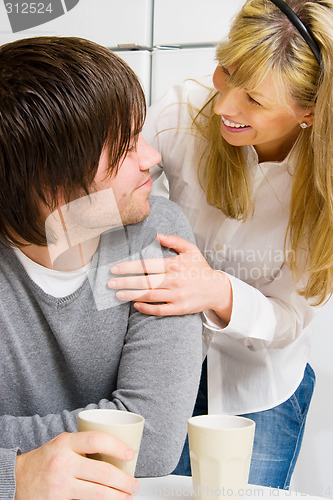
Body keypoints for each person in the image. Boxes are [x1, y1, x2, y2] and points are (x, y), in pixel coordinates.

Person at [107, 0, 333, 490]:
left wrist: (216, 292)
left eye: (254, 99)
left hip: (258, 386)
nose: (225, 106)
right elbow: (112, 190)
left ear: (309, 113)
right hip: (156, 366)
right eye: (226, 72)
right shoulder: (183, 110)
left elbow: (291, 317)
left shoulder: (324, 191)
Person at [0, 36, 203, 499]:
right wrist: (15, 476)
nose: (152, 158)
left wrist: (17, 461)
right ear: (52, 183)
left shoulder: (160, 233)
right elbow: (129, 435)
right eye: (126, 147)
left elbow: (151, 441)